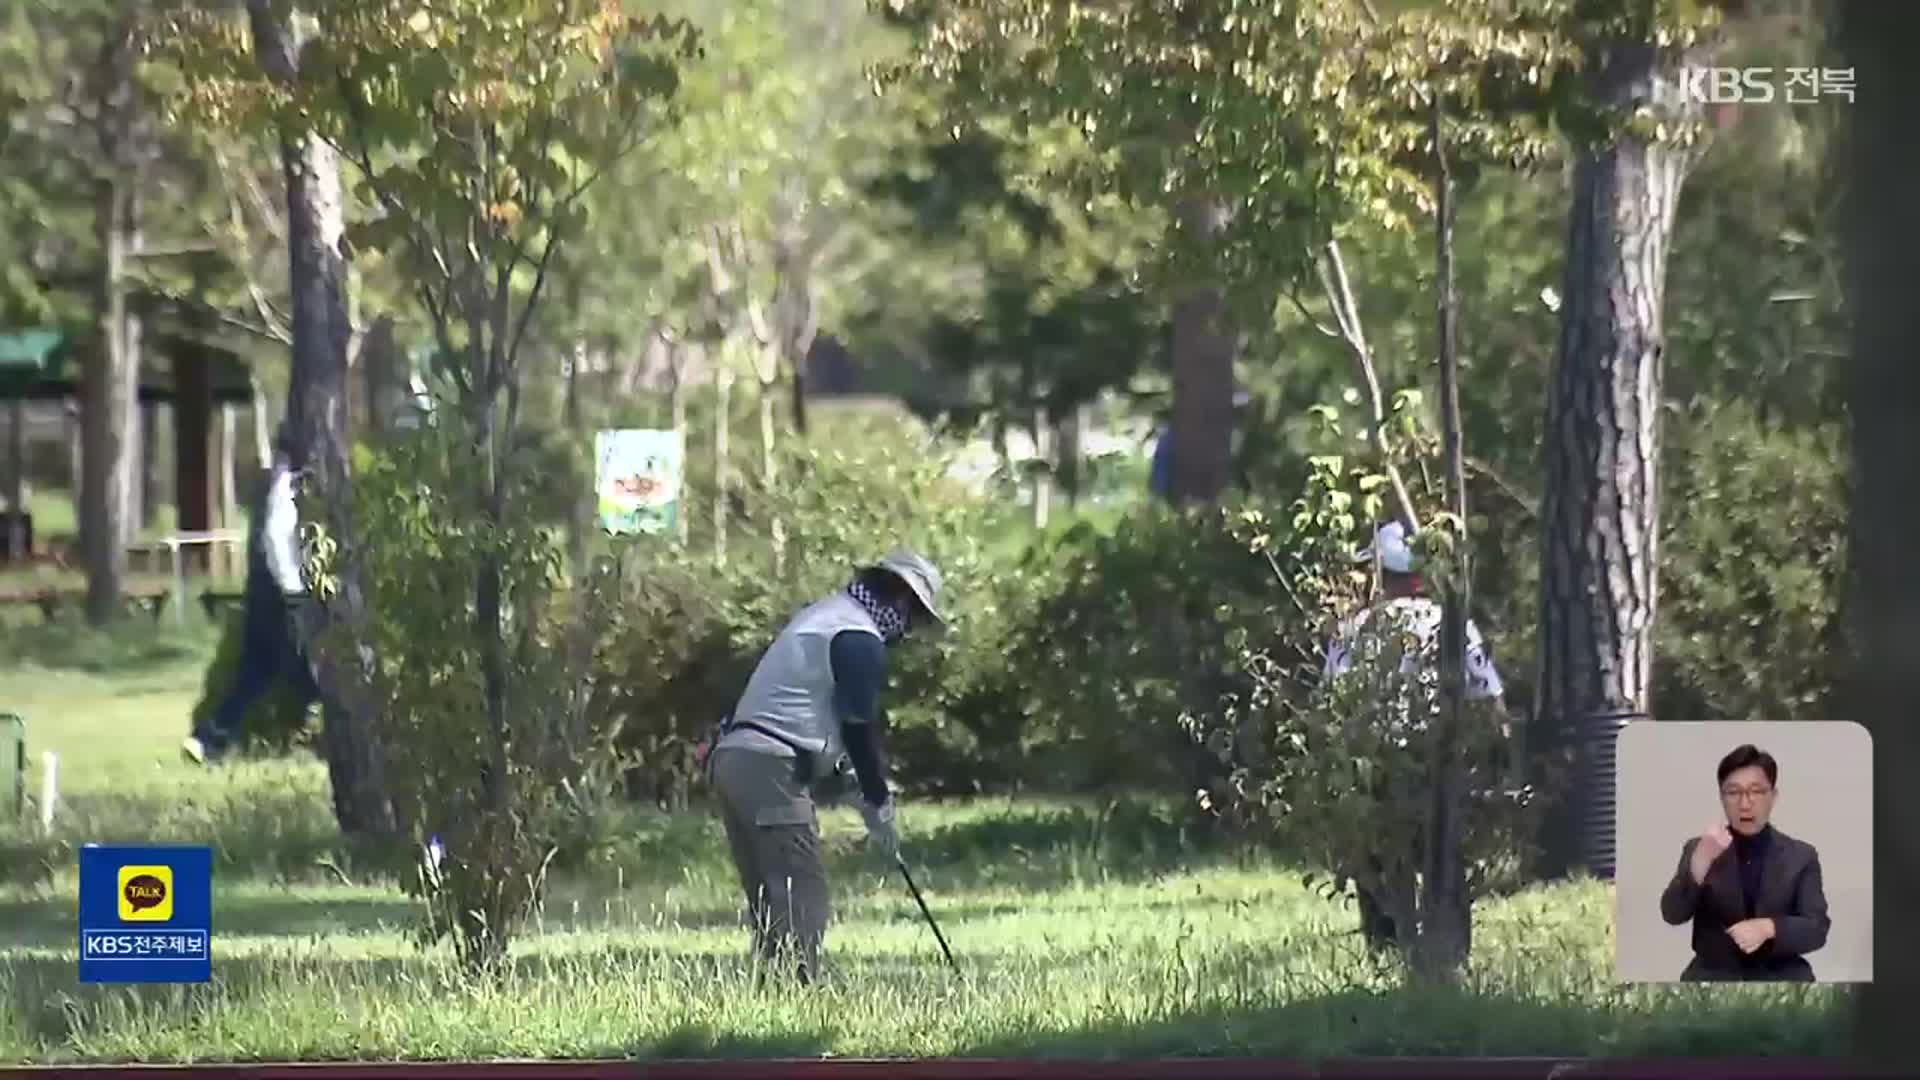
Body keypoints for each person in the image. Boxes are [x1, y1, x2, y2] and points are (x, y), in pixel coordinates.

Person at [704, 548, 944, 984]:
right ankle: (797, 994)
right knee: (803, 891)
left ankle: (771, 998)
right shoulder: (858, 637)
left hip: (737, 759)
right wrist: (877, 799)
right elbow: (857, 727)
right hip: (768, 767)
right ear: (901, 601)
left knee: (771, 896)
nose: (909, 631)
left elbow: (813, 717)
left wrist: (850, 782)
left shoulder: (825, 616)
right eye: (914, 619)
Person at [1321, 520, 1509, 950]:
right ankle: (1451, 952)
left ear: (1377, 576)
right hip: (1437, 759)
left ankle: (1389, 952)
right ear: (1421, 575)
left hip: (1375, 764)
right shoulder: (1451, 622)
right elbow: (1489, 694)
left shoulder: (1352, 629)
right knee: (1445, 858)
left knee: (1381, 864)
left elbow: (1332, 703)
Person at [183, 426, 333, 765]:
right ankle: (321, 741)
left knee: (256, 670)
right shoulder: (290, 487)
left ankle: (210, 738)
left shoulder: (273, 487)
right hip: (285, 595)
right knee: (312, 673)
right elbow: (279, 542)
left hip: (264, 592)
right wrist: (296, 594)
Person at [1659, 743, 1830, 982]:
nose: (1745, 804)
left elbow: (1817, 928)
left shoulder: (1801, 856)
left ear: (1773, 796)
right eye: (1733, 792)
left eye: (1756, 791)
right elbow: (1672, 914)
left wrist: (1769, 927)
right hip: (1712, 978)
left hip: (1783, 977)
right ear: (1721, 797)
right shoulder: (1700, 848)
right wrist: (1699, 864)